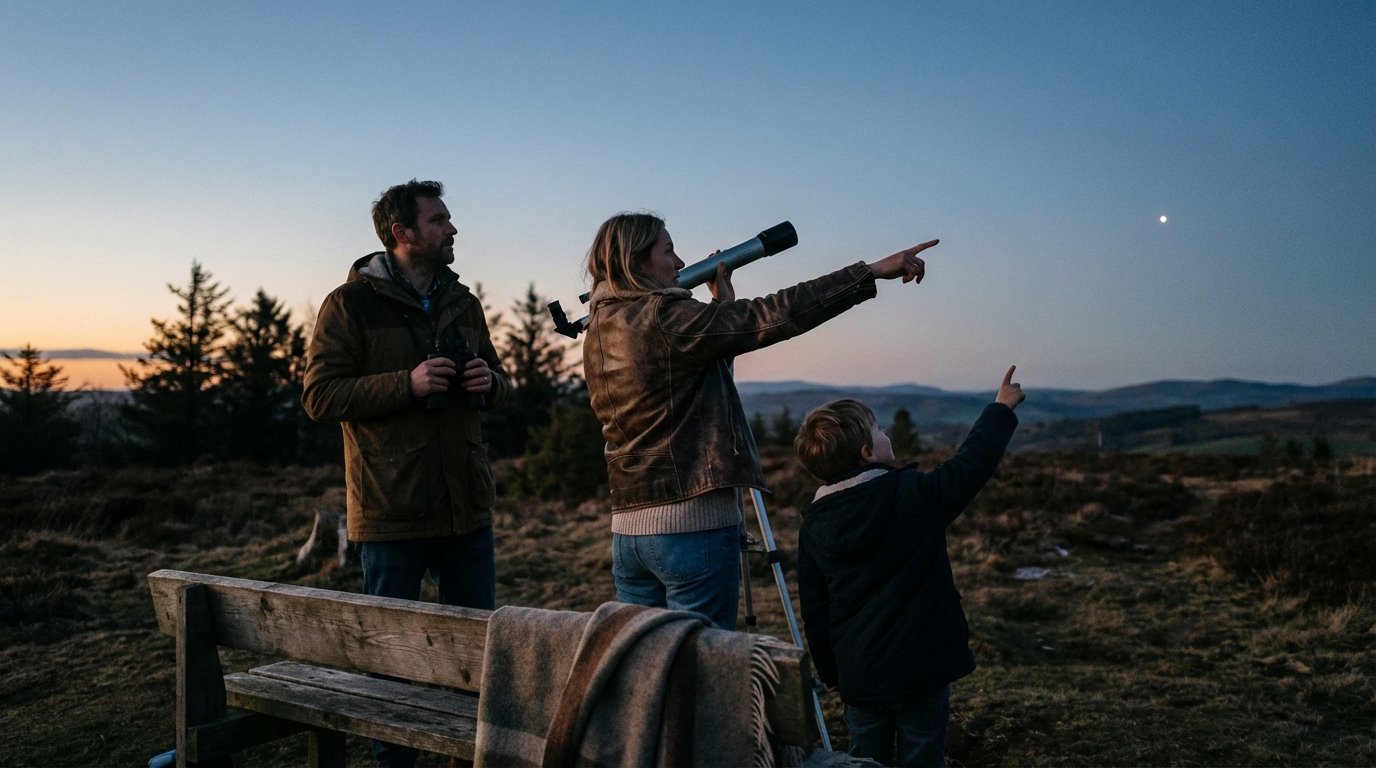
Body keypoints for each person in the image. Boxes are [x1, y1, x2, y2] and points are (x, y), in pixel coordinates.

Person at [582, 211, 938, 630]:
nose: (680, 263)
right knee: (700, 660)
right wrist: (870, 272)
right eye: (668, 251)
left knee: (642, 658)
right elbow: (772, 316)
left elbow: (682, 377)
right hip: (689, 526)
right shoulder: (665, 317)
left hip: (629, 533)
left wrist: (721, 307)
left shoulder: (601, 328)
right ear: (636, 262)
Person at [301, 179, 510, 768]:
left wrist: (490, 384)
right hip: (390, 508)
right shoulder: (349, 305)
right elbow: (319, 396)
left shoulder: (463, 302)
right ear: (402, 233)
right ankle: (394, 762)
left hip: (465, 506)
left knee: (477, 653)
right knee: (392, 658)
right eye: (439, 220)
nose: (452, 228)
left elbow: (500, 380)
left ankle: (470, 757)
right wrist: (407, 384)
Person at [792, 368, 1026, 767]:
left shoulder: (813, 525)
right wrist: (1001, 408)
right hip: (922, 669)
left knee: (865, 760)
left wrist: (830, 670)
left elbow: (815, 606)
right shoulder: (915, 496)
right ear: (867, 453)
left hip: (860, 675)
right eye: (878, 430)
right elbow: (971, 464)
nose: (885, 433)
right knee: (923, 756)